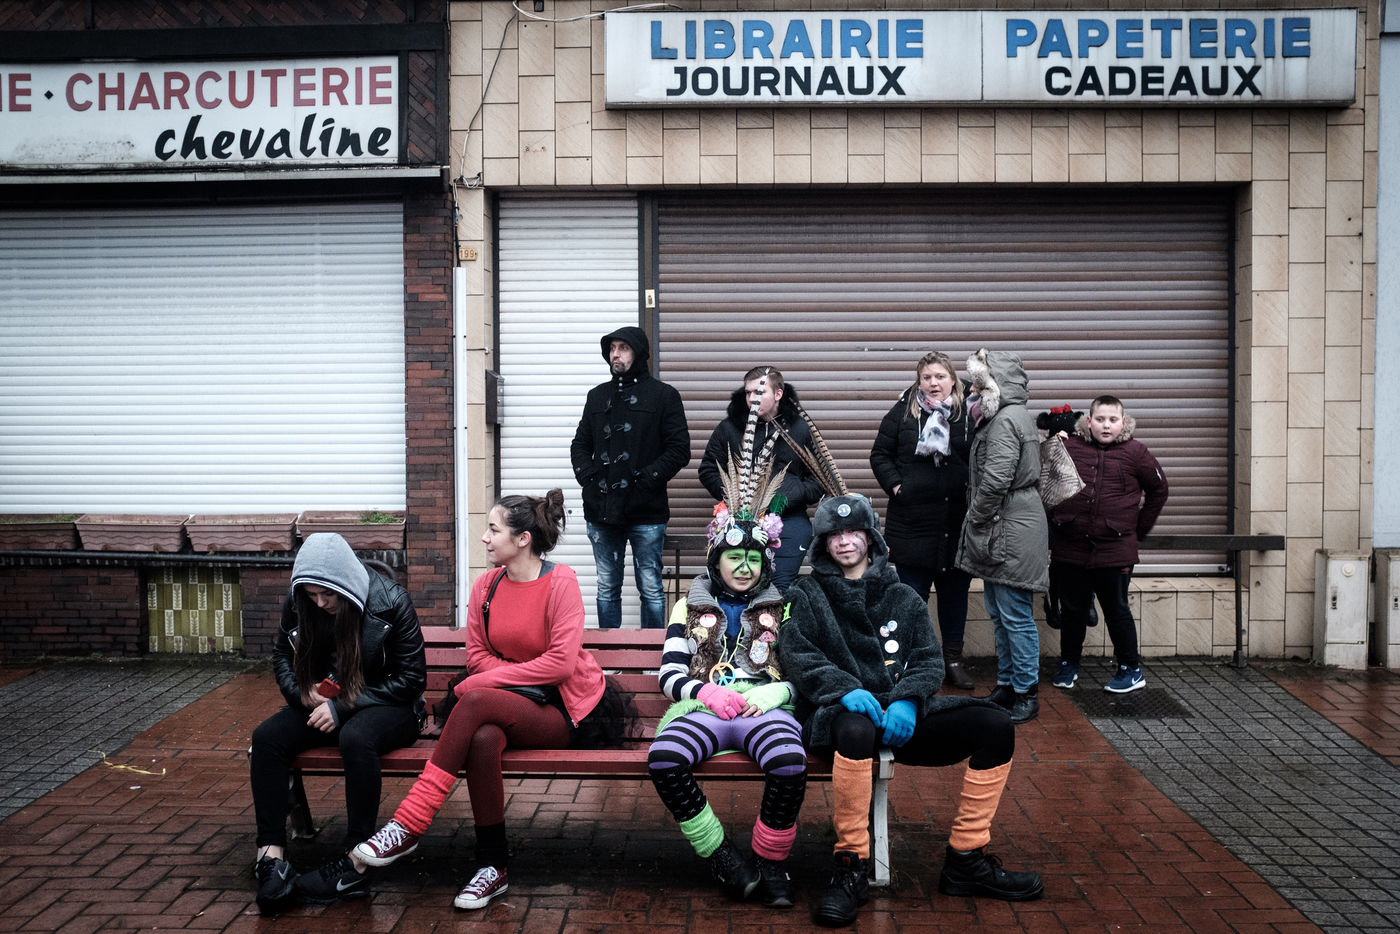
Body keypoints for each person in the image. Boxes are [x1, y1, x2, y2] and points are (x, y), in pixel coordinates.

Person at [351, 490, 627, 910]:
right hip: (505, 702)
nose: (484, 537)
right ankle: (492, 866)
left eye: (494, 529)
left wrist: (488, 684)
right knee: (482, 739)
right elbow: (476, 657)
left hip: (562, 708)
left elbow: (560, 664)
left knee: (475, 701)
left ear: (523, 539)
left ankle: (409, 821)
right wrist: (499, 682)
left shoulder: (562, 583)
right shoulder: (486, 586)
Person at [782, 493, 1043, 927]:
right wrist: (843, 690)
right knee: (856, 730)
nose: (845, 541)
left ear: (870, 538)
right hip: (842, 719)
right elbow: (798, 653)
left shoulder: (902, 595)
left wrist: (908, 698)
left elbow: (927, 657)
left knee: (995, 724)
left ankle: (966, 858)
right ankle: (851, 866)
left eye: (854, 532)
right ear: (822, 543)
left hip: (900, 717)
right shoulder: (806, 594)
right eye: (834, 534)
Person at [650, 410, 806, 908]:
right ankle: (720, 856)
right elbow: (669, 674)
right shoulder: (687, 606)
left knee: (789, 762)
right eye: (734, 557)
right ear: (715, 561)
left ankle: (769, 861)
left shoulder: (785, 607)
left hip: (764, 708)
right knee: (665, 758)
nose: (744, 566)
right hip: (702, 708)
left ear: (765, 564)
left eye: (753, 559)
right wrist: (706, 693)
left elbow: (805, 673)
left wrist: (777, 692)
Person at [248, 532, 426, 914]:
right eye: (311, 594)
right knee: (267, 738)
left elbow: (411, 680)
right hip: (326, 702)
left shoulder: (391, 601)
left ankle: (354, 859)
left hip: (392, 706)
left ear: (346, 583)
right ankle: (271, 856)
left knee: (355, 736)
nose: (320, 602)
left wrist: (343, 706)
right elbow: (281, 656)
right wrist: (301, 692)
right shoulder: (301, 602)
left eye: (327, 594)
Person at [570, 326, 690, 628]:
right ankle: (609, 653)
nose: (615, 354)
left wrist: (646, 480)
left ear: (638, 352)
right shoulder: (597, 396)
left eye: (623, 348)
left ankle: (654, 652)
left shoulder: (664, 396)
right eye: (612, 348)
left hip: (646, 510)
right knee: (607, 587)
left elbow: (679, 450)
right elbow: (580, 445)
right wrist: (589, 479)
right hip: (601, 510)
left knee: (650, 587)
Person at [869, 351, 976, 689]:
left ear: (953, 380)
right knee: (912, 598)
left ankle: (953, 659)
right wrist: (898, 487)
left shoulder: (969, 413)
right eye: (927, 377)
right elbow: (880, 455)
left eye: (940, 376)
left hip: (956, 523)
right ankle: (914, 660)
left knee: (955, 597)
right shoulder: (903, 411)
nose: (933, 383)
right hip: (912, 523)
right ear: (919, 381)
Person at [1048, 396, 1169, 693]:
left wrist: (1137, 529)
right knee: (1072, 610)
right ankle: (1068, 664)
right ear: (1088, 421)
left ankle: (1131, 669)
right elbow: (1046, 482)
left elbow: (1159, 489)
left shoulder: (1136, 452)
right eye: (1100, 419)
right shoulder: (1071, 447)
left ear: (1123, 423)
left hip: (1115, 550)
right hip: (1071, 548)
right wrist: (1056, 521)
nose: (1106, 426)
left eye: (1113, 420)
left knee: (1117, 610)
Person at [956, 348, 1048, 725]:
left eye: (978, 384)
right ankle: (1008, 685)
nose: (971, 390)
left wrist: (975, 518)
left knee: (1014, 616)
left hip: (1009, 526)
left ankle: (1026, 692)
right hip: (1004, 524)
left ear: (995, 385)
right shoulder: (1003, 417)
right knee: (1000, 613)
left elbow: (996, 479)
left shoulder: (1007, 420)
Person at [698, 366, 825, 593]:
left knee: (780, 587)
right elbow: (708, 469)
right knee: (739, 588)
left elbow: (818, 479)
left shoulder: (799, 428)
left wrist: (793, 493)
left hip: (790, 520)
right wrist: (737, 495)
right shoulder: (730, 427)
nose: (751, 399)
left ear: (778, 394)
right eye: (748, 392)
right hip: (740, 520)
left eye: (759, 392)